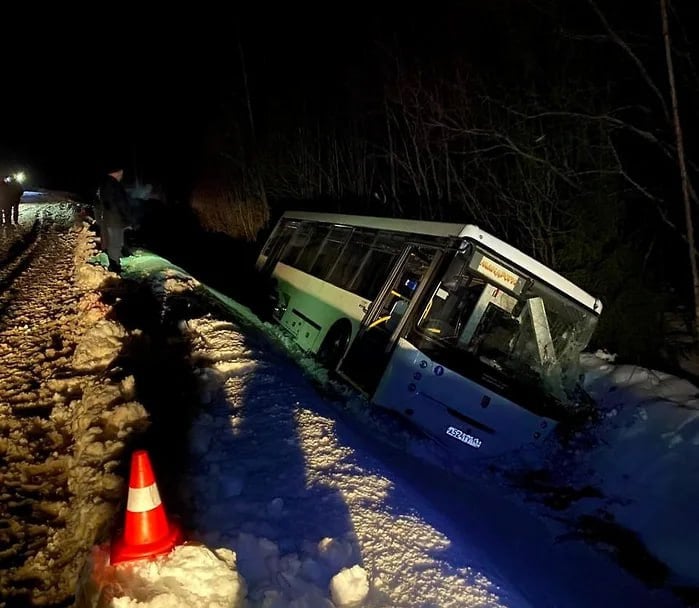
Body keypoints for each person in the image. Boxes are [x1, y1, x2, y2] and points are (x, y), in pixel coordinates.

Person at [96, 165, 132, 272]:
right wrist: (127, 219)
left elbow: (98, 205)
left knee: (114, 243)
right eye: (121, 174)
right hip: (114, 220)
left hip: (109, 220)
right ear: (118, 172)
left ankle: (115, 263)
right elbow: (120, 205)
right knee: (115, 244)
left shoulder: (104, 184)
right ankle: (115, 267)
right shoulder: (113, 185)